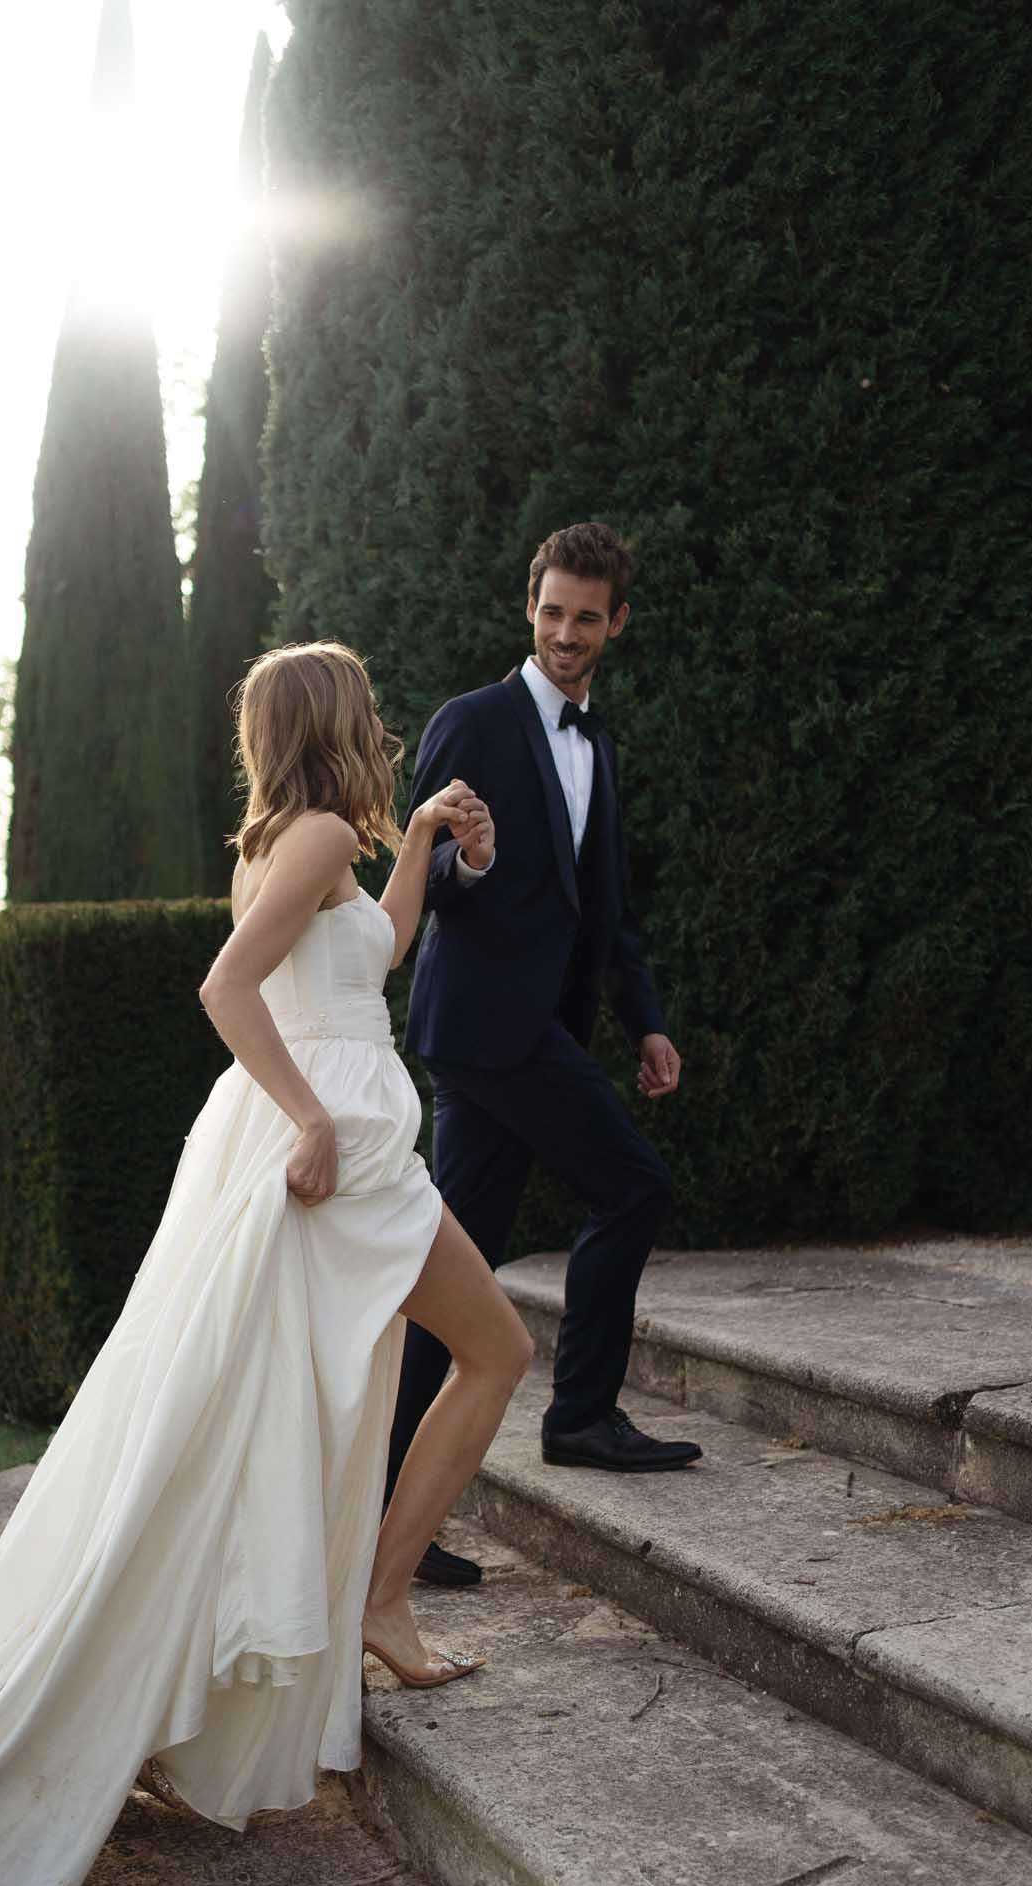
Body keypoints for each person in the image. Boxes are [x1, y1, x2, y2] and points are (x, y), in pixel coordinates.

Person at [0, 641, 531, 1886]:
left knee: (296, 1405)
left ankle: (365, 1605)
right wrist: (308, 1120)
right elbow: (226, 989)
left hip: (337, 1131)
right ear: (334, 723)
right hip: (339, 1141)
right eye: (366, 710)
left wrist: (425, 846)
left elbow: (365, 964)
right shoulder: (315, 835)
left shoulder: (296, 841)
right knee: (495, 1349)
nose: (384, 726)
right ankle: (383, 1602)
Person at [388, 522, 702, 1592]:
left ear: (617, 623)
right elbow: (420, 872)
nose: (566, 633)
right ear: (531, 608)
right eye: (552, 612)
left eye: (587, 617)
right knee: (634, 1184)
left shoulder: (597, 745)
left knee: (455, 1268)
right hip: (488, 1031)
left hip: (533, 1033)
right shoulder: (471, 721)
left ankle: (386, 1516)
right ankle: (580, 1414)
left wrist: (644, 1019)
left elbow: (607, 910)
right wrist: (470, 863)